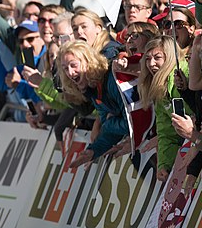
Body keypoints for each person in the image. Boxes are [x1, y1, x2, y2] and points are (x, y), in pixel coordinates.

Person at [58, 41, 128, 167]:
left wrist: (107, 124)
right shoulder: (93, 90)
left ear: (88, 61)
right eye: (65, 68)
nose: (70, 72)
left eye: (73, 65)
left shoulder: (112, 79)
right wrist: (93, 151)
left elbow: (132, 123)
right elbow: (110, 131)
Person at [137, 35, 192, 181]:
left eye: (157, 57)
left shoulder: (186, 72)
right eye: (147, 59)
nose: (151, 63)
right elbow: (166, 132)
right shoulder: (159, 89)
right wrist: (164, 165)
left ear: (170, 57)